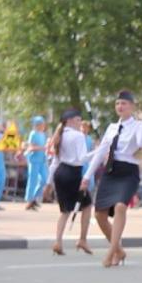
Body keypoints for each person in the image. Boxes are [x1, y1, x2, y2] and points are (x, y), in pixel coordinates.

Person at [82, 90, 142, 268]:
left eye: (124, 103)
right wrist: (87, 175)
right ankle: (119, 250)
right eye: (118, 103)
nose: (120, 106)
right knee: (99, 214)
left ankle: (112, 251)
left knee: (120, 206)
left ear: (132, 106)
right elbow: (101, 152)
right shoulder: (112, 128)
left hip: (128, 171)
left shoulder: (138, 125)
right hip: (111, 171)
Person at [47, 109, 94, 256]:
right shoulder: (78, 136)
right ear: (71, 121)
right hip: (73, 173)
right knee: (87, 205)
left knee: (65, 210)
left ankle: (58, 242)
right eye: (79, 120)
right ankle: (82, 239)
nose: (80, 123)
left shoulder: (60, 135)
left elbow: (55, 161)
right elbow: (81, 158)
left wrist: (49, 183)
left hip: (60, 173)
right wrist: (98, 152)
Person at [23, 115, 49, 211]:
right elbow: (31, 147)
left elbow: (44, 147)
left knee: (44, 180)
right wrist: (42, 148)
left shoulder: (43, 134)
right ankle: (29, 201)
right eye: (41, 124)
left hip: (42, 160)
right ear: (37, 125)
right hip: (34, 160)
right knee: (33, 181)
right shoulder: (33, 134)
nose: (43, 126)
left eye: (43, 124)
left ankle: (33, 198)